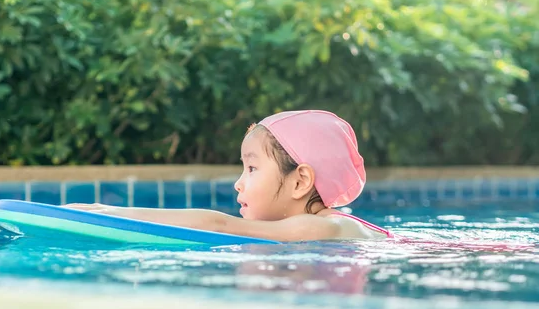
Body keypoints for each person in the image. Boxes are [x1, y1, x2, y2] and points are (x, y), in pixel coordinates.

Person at [65, 110, 392, 241]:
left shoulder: (327, 226)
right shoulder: (322, 227)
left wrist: (107, 213)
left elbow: (218, 224)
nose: (239, 182)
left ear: (301, 181)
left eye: (251, 168)